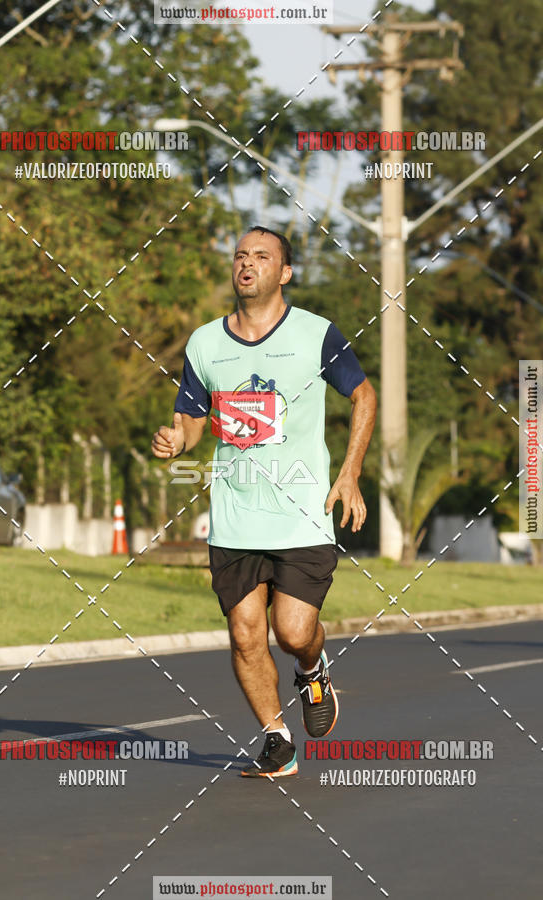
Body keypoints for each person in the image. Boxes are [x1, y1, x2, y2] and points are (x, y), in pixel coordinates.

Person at [152, 226, 377, 777]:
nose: (247, 265)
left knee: (292, 632)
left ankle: (312, 667)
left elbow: (363, 395)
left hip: (302, 514)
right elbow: (194, 419)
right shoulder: (204, 343)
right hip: (234, 517)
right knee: (245, 633)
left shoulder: (317, 334)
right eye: (240, 256)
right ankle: (276, 739)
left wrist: (349, 474)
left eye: (262, 256)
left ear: (286, 272)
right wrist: (176, 439)